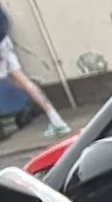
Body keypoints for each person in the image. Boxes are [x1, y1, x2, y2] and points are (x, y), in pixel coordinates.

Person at [0, 8, 65, 141]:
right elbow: (4, 21)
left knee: (19, 80)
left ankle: (56, 121)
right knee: (21, 80)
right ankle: (57, 120)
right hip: (4, 43)